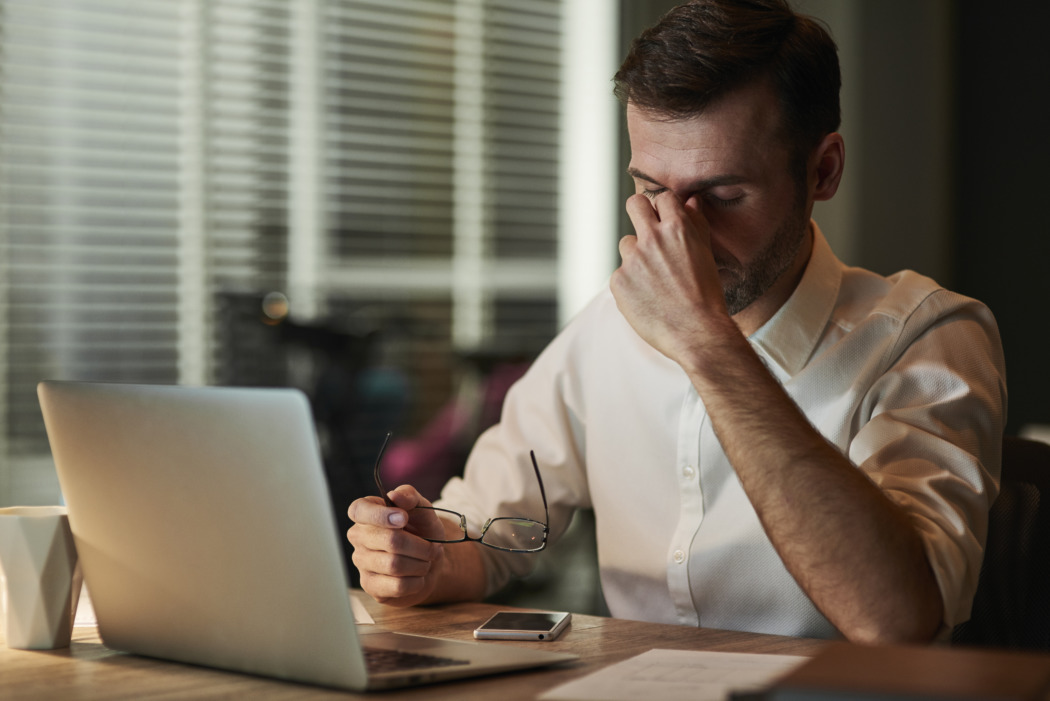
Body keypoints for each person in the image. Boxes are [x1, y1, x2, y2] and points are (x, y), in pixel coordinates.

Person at [347, 0, 1006, 644]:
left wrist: (703, 339)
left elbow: (894, 619)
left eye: (722, 195)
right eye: (653, 189)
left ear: (823, 170)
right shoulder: (608, 326)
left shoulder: (925, 337)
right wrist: (425, 558)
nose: (676, 232)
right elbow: (492, 531)